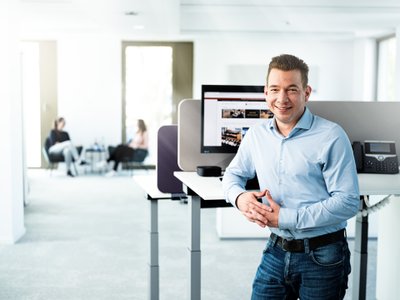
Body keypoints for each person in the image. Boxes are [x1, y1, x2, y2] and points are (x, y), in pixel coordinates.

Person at [222, 54, 360, 299]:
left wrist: (286, 217)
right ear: (265, 92)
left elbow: (347, 201)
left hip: (323, 254)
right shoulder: (256, 135)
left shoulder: (331, 135)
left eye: (292, 89)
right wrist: (240, 198)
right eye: (275, 89)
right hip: (276, 248)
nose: (282, 98)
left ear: (306, 93)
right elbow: (233, 175)